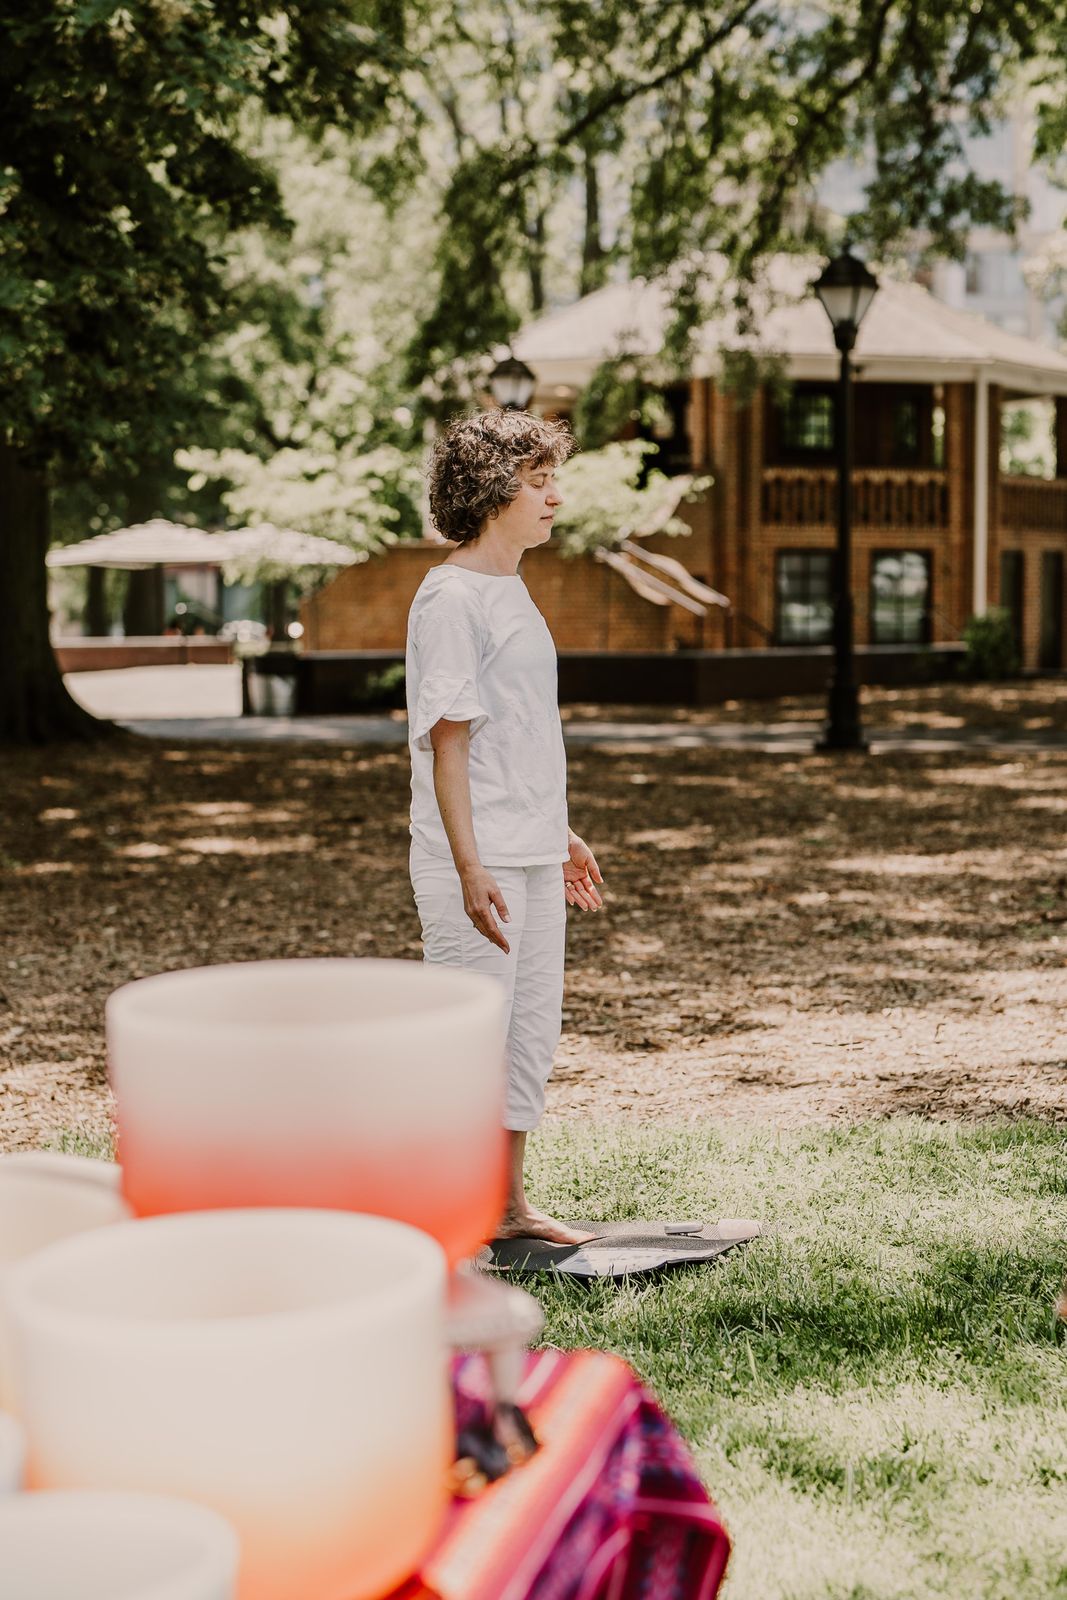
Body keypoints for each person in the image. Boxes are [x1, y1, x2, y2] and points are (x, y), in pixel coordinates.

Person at [406, 408, 602, 1247]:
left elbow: (517, 731)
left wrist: (559, 832)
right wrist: (468, 867)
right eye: (538, 482)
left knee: (527, 1034)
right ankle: (451, 1212)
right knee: (469, 1045)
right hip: (475, 860)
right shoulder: (451, 598)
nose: (554, 497)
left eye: (553, 479)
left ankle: (508, 1205)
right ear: (491, 492)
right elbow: (449, 745)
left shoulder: (507, 586)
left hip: (529, 849)